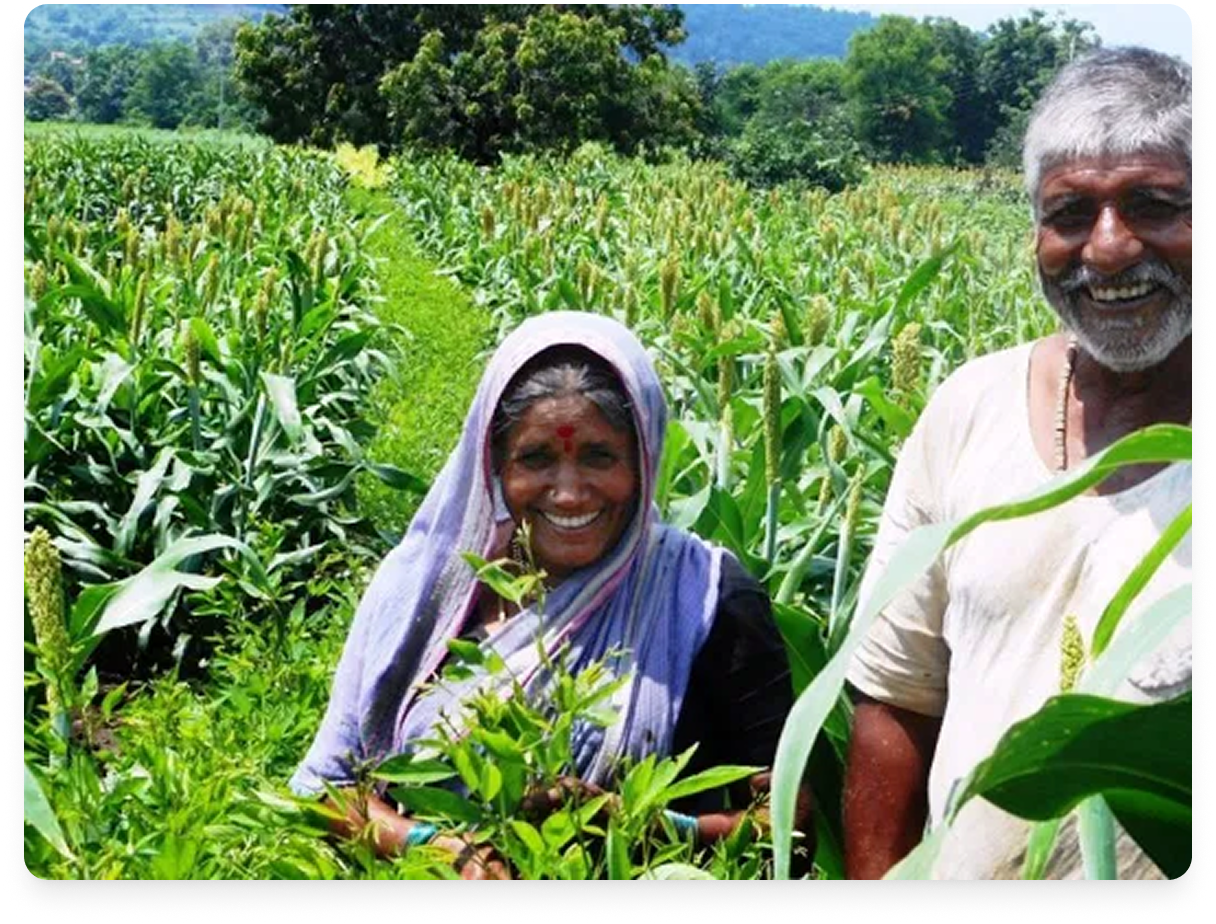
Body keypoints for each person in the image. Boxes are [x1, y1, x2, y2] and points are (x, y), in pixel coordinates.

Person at [291, 311, 810, 879]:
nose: (567, 493)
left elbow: (789, 825)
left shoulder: (706, 597)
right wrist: (433, 846)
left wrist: (637, 824)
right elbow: (327, 790)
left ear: (644, 460)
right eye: (536, 458)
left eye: (599, 456)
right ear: (494, 464)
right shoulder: (428, 592)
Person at [842, 47, 1192, 880]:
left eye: (1153, 205)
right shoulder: (969, 409)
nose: (1108, 250)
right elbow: (895, 697)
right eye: (1070, 213)